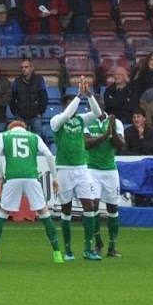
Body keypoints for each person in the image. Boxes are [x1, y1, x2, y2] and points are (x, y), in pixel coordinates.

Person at [0, 120, 64, 264]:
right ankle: (57, 253)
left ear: (11, 128)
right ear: (24, 127)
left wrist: (1, 176)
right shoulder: (34, 136)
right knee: (44, 214)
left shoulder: (4, 136)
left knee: (1, 214)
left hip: (12, 178)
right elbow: (48, 154)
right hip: (31, 178)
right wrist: (54, 177)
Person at [50, 89, 102, 262]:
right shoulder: (56, 121)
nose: (76, 109)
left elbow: (97, 112)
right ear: (64, 106)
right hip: (64, 169)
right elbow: (66, 116)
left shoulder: (81, 120)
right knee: (66, 210)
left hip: (82, 169)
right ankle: (68, 249)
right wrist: (78, 96)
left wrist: (89, 95)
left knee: (89, 205)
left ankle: (88, 249)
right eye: (72, 104)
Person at [83, 91, 127, 257]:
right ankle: (97, 242)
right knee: (93, 205)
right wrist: (105, 135)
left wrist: (112, 130)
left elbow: (121, 147)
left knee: (112, 207)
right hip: (91, 169)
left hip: (109, 170)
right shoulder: (87, 122)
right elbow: (87, 144)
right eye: (88, 107)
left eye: (92, 107)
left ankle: (112, 246)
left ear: (101, 107)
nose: (89, 110)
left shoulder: (116, 123)